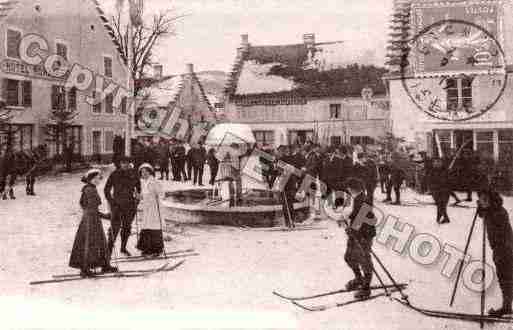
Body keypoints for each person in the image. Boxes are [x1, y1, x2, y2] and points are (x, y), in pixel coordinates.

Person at [69, 169, 118, 277]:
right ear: (90, 179)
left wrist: (101, 215)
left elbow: (85, 205)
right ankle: (85, 268)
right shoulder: (89, 190)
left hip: (91, 218)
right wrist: (105, 216)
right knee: (90, 243)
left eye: (99, 179)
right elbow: (90, 207)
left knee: (99, 241)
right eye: (95, 178)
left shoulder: (90, 188)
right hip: (91, 220)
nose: (97, 180)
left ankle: (104, 265)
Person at [477, 188, 513, 317]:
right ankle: (507, 306)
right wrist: (481, 209)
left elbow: (492, 219)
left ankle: (507, 307)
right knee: (504, 277)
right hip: (498, 248)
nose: (482, 202)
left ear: (491, 200)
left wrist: (484, 210)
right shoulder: (492, 209)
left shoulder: (498, 212)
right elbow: (483, 214)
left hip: (505, 248)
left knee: (506, 277)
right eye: (481, 200)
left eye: (485, 200)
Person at [342, 178, 376, 299]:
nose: (348, 190)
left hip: (364, 235)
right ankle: (359, 279)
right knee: (349, 257)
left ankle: (366, 288)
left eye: (349, 188)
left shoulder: (364, 200)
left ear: (352, 188)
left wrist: (352, 229)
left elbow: (362, 217)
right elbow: (356, 214)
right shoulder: (358, 198)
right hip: (356, 234)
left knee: (364, 260)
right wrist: (347, 219)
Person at [104, 156, 141, 256]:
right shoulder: (114, 174)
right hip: (117, 205)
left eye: (127, 163)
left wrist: (137, 199)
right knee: (114, 228)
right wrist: (111, 202)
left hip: (130, 205)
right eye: (123, 163)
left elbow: (139, 188)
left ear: (130, 163)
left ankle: (123, 248)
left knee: (127, 227)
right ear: (120, 164)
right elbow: (106, 190)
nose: (125, 165)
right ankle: (109, 250)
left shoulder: (134, 174)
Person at [136, 164, 165, 257]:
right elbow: (142, 196)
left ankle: (157, 249)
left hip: (154, 208)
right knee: (146, 226)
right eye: (142, 172)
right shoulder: (142, 182)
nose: (144, 174)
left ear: (150, 172)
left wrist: (156, 195)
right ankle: (146, 249)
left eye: (146, 172)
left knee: (154, 226)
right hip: (147, 208)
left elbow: (162, 194)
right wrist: (137, 196)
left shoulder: (155, 182)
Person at [427, 157, 451, 224]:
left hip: (445, 190)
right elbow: (429, 180)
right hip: (435, 190)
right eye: (435, 162)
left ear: (442, 163)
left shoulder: (446, 171)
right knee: (439, 204)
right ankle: (443, 218)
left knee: (442, 205)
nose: (436, 164)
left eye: (438, 162)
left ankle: (441, 218)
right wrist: (431, 188)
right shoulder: (431, 171)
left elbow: (450, 180)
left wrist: (448, 187)